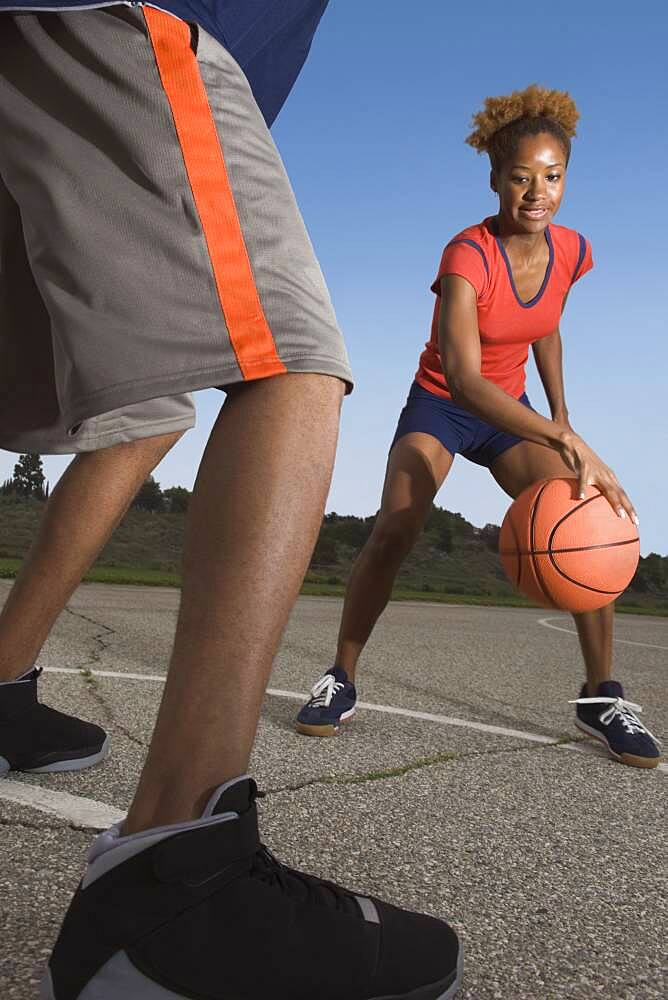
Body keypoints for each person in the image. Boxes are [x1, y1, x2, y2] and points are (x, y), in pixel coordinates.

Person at [0, 5, 462, 999]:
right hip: (136, 23)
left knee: (141, 403)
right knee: (287, 359)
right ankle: (177, 878)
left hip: (54, 53)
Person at [296, 85, 661, 771]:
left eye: (552, 177)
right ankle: (340, 677)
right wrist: (565, 440)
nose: (536, 192)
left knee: (589, 516)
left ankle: (599, 697)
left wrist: (562, 419)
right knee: (396, 528)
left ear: (566, 178)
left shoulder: (573, 250)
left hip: (514, 413)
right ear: (496, 179)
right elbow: (465, 379)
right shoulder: (466, 255)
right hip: (444, 404)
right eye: (521, 177)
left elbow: (547, 322)